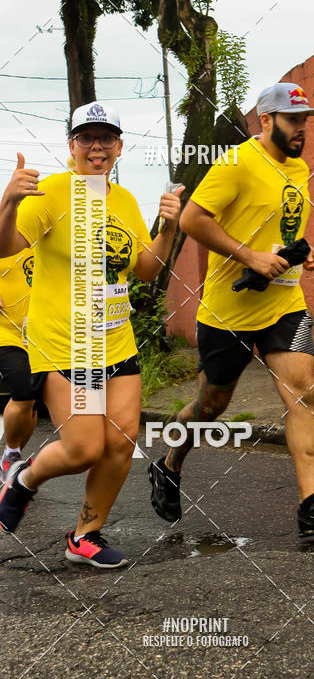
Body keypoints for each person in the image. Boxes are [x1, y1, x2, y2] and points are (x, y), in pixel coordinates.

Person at [149, 82, 314, 537]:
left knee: (303, 390)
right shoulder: (236, 163)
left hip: (285, 304)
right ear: (266, 121)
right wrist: (249, 258)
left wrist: (303, 251)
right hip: (228, 311)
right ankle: (169, 464)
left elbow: (278, 224)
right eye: (293, 120)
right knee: (212, 406)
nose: (302, 129)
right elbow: (192, 220)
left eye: (305, 121)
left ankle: (312, 503)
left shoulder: (300, 169)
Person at [0, 101, 183, 568]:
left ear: (119, 147)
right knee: (84, 448)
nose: (96, 146)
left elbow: (144, 268)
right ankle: (22, 479)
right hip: (65, 343)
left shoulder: (122, 201)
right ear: (72, 146)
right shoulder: (51, 194)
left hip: (117, 341)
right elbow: (5, 247)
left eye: (106, 138)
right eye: (86, 138)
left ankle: (85, 535)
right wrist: (10, 201)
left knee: (121, 444)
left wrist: (167, 227)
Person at [0, 247, 37, 482]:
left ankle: (12, 457)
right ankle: (10, 455)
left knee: (32, 402)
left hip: (38, 333)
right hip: (4, 331)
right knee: (24, 389)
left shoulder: (42, 234)